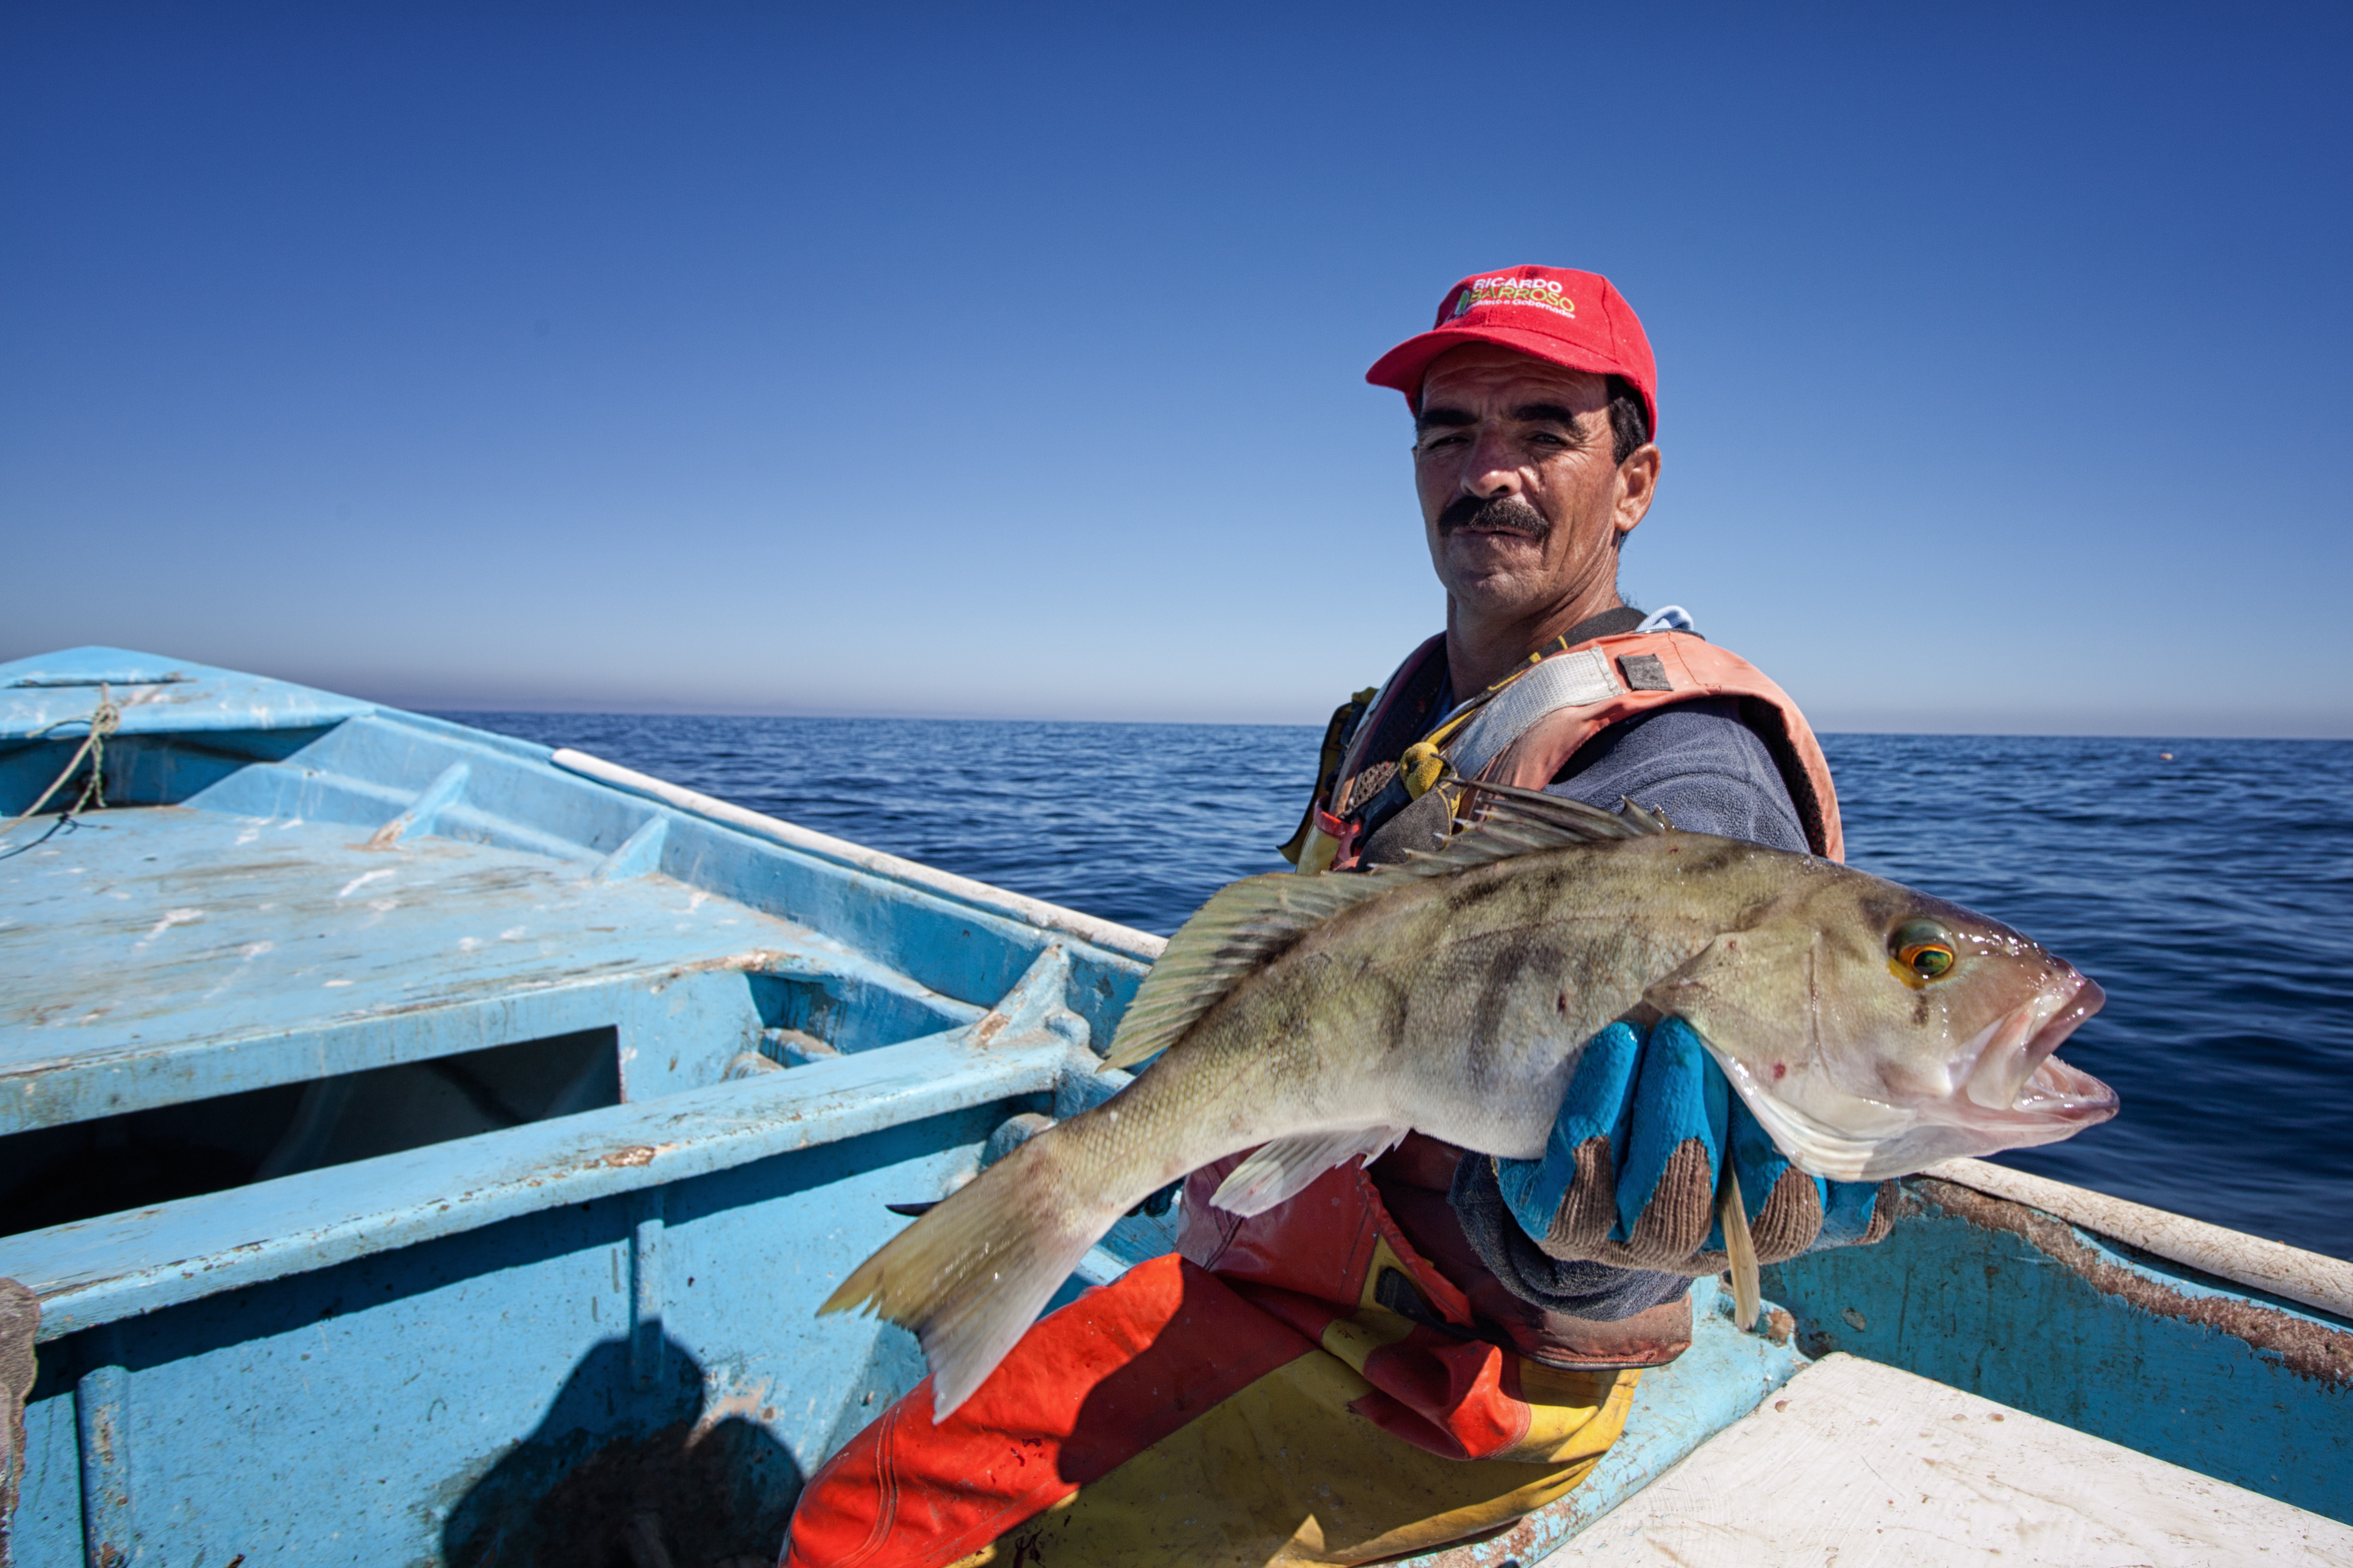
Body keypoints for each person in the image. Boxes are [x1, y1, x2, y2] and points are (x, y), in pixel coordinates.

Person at [783, 266, 1895, 1568]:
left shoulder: (1683, 784)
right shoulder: (1410, 710)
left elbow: (1629, 1257)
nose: (1488, 471)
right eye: (1448, 432)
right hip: (1277, 1265)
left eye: (1542, 430)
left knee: (872, 1526)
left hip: (1445, 1368)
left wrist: (1585, 1246)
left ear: (1633, 481)